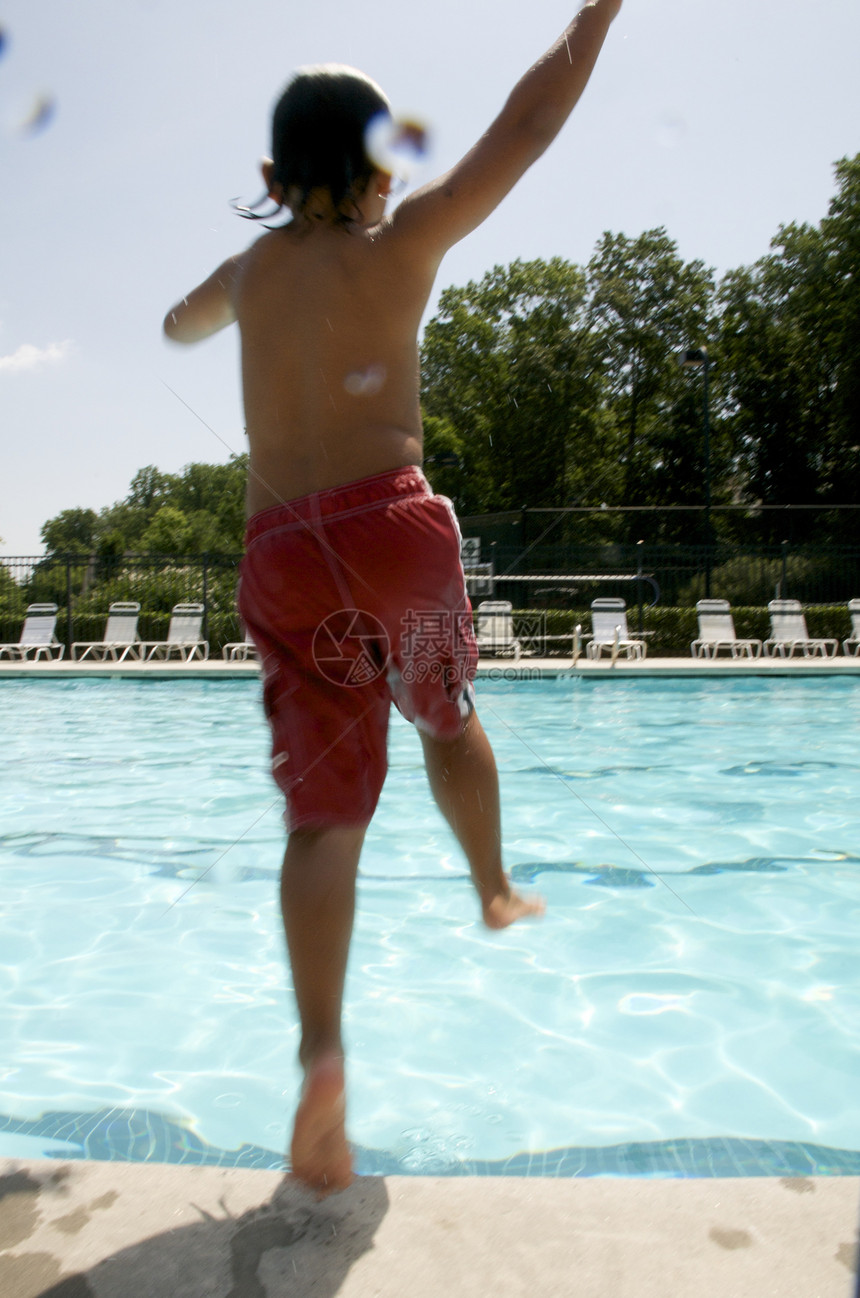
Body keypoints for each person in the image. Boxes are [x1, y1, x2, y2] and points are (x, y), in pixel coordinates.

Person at [164, 0, 622, 1197]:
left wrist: (192, 315)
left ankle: (320, 1059)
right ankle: (490, 884)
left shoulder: (248, 269)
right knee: (444, 713)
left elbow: (181, 320)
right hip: (396, 532)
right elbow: (524, 130)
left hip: (285, 551)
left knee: (322, 817)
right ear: (380, 172)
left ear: (270, 175)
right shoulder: (403, 243)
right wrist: (599, 10)